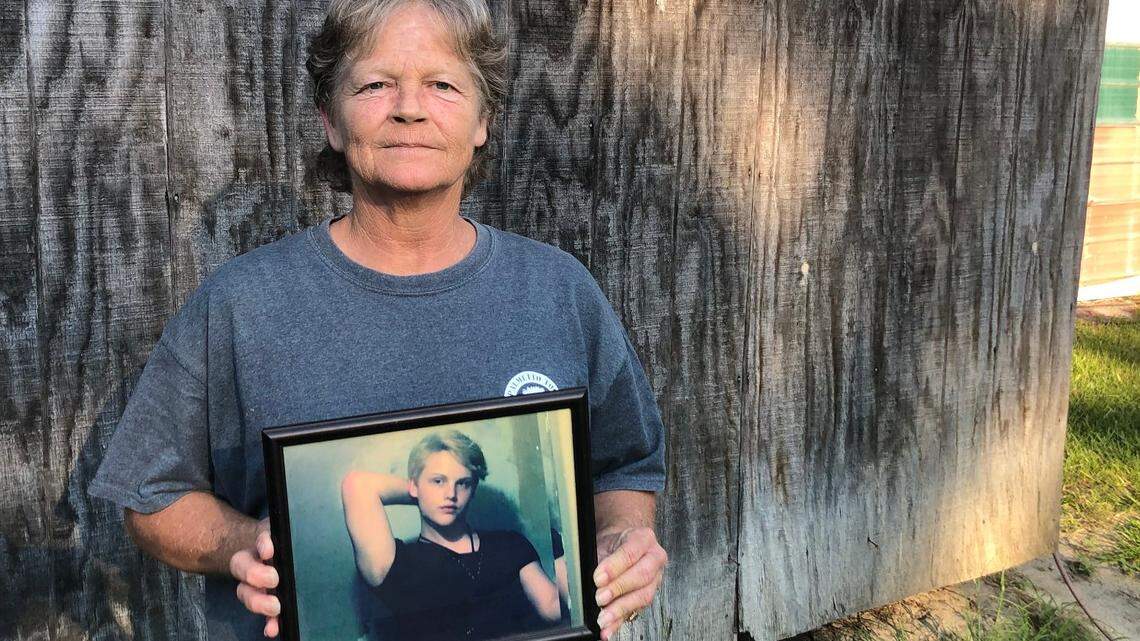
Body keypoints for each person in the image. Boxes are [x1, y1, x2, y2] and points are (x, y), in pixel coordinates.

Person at [88, 1, 668, 640]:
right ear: (330, 120)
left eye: (442, 85)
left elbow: (625, 468)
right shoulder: (240, 304)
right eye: (374, 85)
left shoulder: (558, 290)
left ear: (483, 120)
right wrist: (244, 543)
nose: (409, 109)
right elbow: (153, 495)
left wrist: (624, 540)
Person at [341, 430, 560, 640]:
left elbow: (553, 609)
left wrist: (564, 545)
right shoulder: (395, 563)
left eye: (462, 483)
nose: (451, 494)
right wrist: (422, 494)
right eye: (438, 481)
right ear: (413, 485)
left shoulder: (509, 544)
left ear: (473, 489)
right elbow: (357, 484)